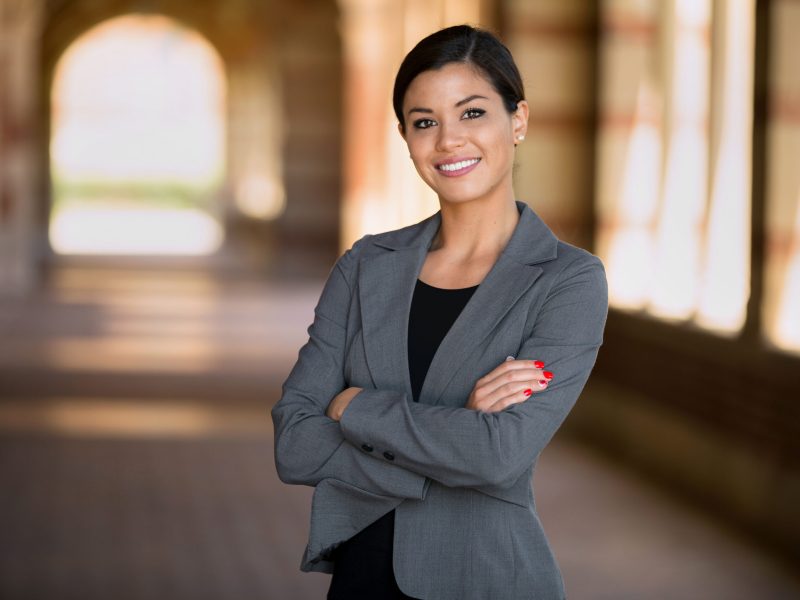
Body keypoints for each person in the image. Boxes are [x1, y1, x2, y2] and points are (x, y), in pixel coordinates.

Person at [271, 24, 608, 600]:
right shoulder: (365, 266)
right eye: (424, 122)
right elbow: (295, 444)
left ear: (518, 120)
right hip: (359, 583)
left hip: (489, 581)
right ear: (406, 138)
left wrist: (353, 406)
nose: (449, 140)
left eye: (472, 113)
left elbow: (498, 455)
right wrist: (458, 433)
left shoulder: (567, 280)